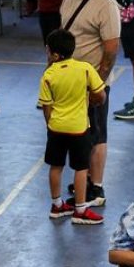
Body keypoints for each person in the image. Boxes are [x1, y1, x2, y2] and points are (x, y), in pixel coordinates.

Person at [60, 0, 119, 212]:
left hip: (92, 82)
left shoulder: (105, 3)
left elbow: (111, 48)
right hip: (70, 82)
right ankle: (84, 180)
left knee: (96, 135)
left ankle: (96, 188)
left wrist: (99, 86)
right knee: (79, 135)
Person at [41, 28, 105, 225]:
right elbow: (101, 95)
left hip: (56, 128)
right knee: (81, 168)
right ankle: (80, 210)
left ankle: (57, 205)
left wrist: (50, 125)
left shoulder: (48, 75)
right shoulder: (85, 69)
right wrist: (93, 101)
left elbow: (46, 107)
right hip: (79, 128)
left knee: (56, 166)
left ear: (54, 54)